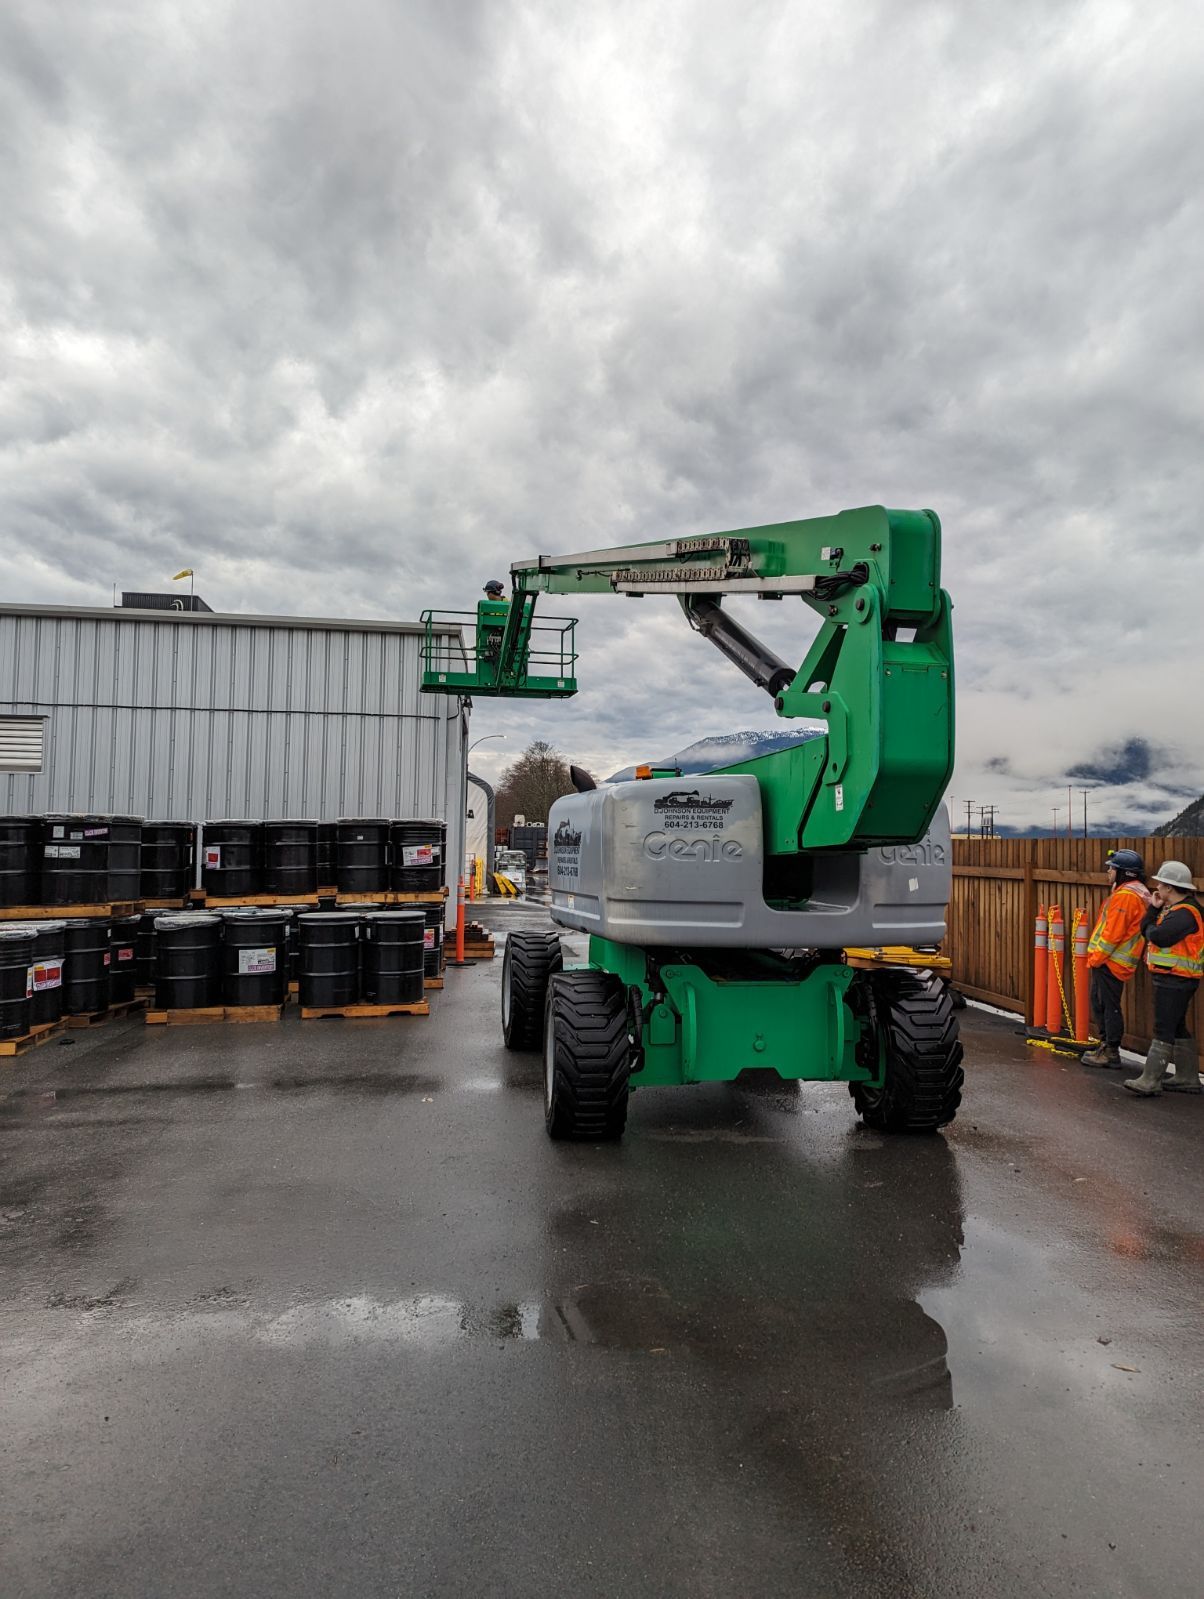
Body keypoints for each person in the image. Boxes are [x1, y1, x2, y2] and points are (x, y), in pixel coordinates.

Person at [1122, 860, 1203, 1096]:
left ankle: (1151, 1079)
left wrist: (1150, 920)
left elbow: (1158, 936)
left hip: (1176, 980)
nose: (1157, 887)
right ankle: (1187, 1077)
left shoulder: (1185, 914)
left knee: (1163, 1027)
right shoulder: (1181, 910)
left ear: (1170, 887)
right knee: (1177, 1026)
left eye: (1161, 884)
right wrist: (1154, 910)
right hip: (1176, 978)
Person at [1081, 849, 1150, 1067]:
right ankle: (1107, 1047)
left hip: (1110, 963)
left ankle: (1110, 1051)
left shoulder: (1125, 897)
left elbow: (1112, 934)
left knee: (1107, 1006)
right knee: (1104, 1004)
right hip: (1115, 962)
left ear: (1124, 873)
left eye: (1112, 868)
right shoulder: (1137, 892)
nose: (1108, 872)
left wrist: (1095, 958)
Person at [477, 580, 508, 666]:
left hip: (493, 641)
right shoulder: (509, 604)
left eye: (487, 593)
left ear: (490, 593)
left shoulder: (487, 606)